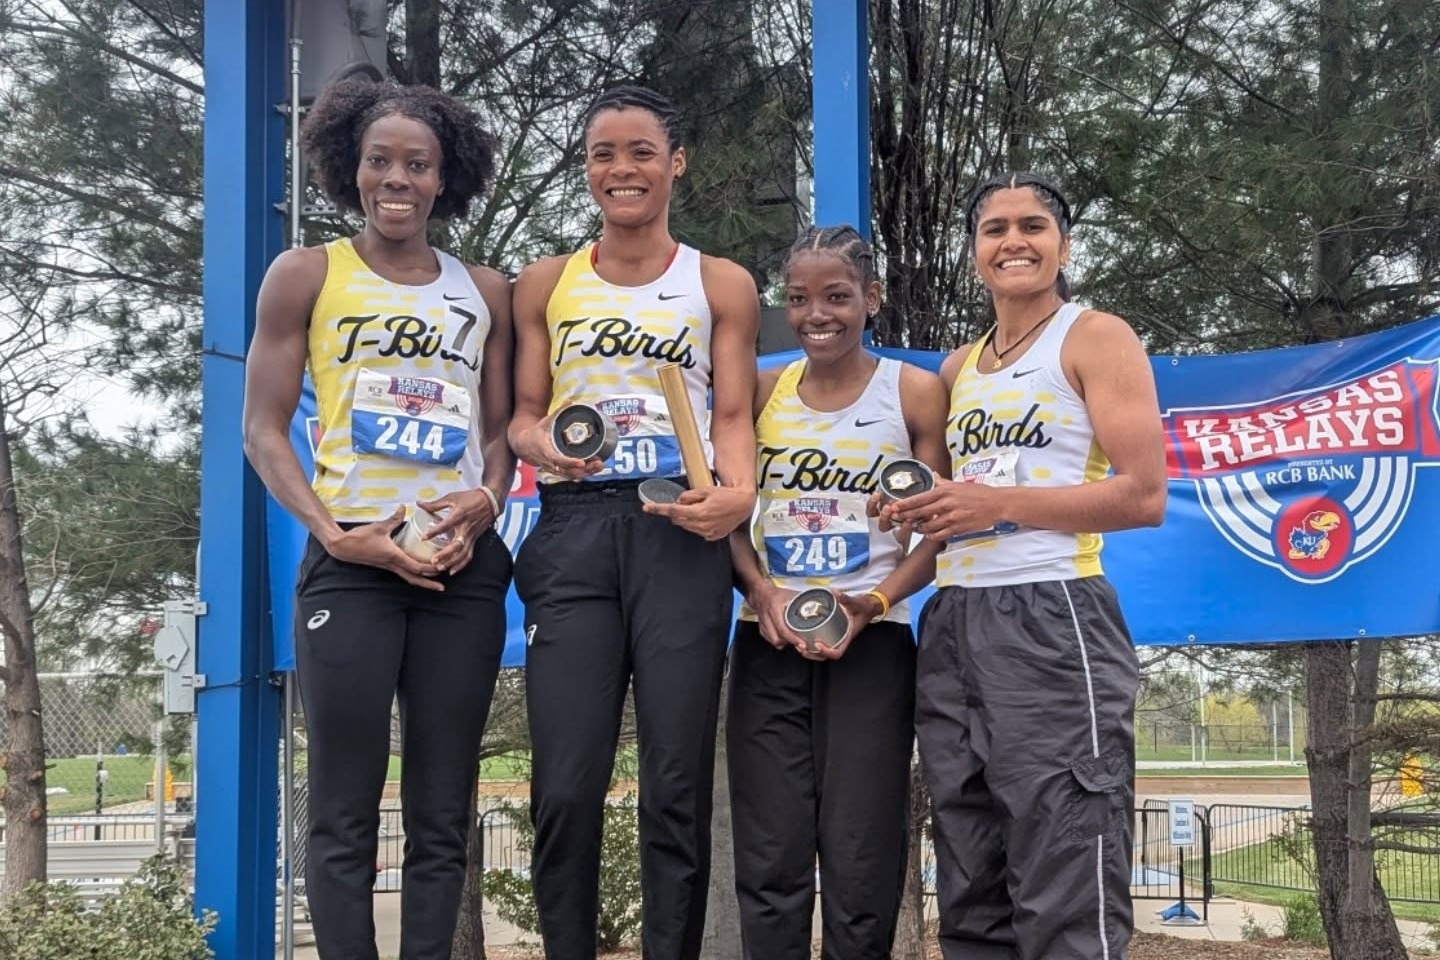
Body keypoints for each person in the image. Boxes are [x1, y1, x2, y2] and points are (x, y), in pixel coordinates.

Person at [241, 79, 515, 960]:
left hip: (458, 570)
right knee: (343, 807)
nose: (397, 179)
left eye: (418, 164)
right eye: (379, 161)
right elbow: (262, 430)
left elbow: (501, 433)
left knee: (443, 810)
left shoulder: (485, 290)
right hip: (353, 565)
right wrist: (331, 533)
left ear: (445, 177)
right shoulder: (306, 274)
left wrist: (488, 500)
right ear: (349, 168)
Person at [884, 172, 1166, 960]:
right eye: (995, 228)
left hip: (1052, 612)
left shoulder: (1094, 336)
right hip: (953, 618)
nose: (1014, 241)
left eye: (1033, 226)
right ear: (974, 251)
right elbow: (951, 504)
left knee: (1065, 854)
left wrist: (997, 505)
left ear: (1063, 246)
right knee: (969, 863)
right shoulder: (956, 368)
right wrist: (912, 506)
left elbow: (1143, 495)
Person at [506, 85, 759, 960]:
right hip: (573, 529)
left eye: (642, 151)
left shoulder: (720, 283)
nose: (623, 169)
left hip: (680, 530)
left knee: (675, 786)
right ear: (586, 169)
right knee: (564, 785)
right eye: (603, 154)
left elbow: (733, 415)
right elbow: (523, 417)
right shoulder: (546, 282)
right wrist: (541, 442)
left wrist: (739, 493)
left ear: (675, 163)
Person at [726, 225, 949, 960]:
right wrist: (760, 592)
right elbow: (726, 512)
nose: (816, 315)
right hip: (768, 642)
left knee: (862, 853)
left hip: (872, 642)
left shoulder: (913, 392)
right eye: (798, 299)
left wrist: (873, 603)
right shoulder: (760, 391)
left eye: (837, 297)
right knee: (771, 852)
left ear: (871, 298)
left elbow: (938, 531)